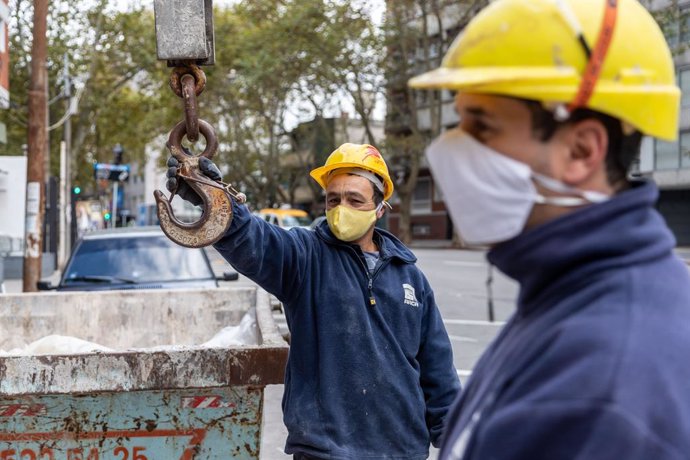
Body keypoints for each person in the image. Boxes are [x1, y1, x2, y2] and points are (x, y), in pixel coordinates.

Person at [408, 0, 690, 458]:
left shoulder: (600, 388)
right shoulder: (576, 292)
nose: (448, 151)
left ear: (581, 150)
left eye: (481, 126)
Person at [166, 143, 461, 459]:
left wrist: (457, 439)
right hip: (326, 451)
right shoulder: (304, 256)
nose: (341, 208)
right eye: (333, 199)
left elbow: (437, 369)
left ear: (379, 208)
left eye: (354, 200)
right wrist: (216, 200)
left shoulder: (411, 278)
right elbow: (252, 240)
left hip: (402, 450)